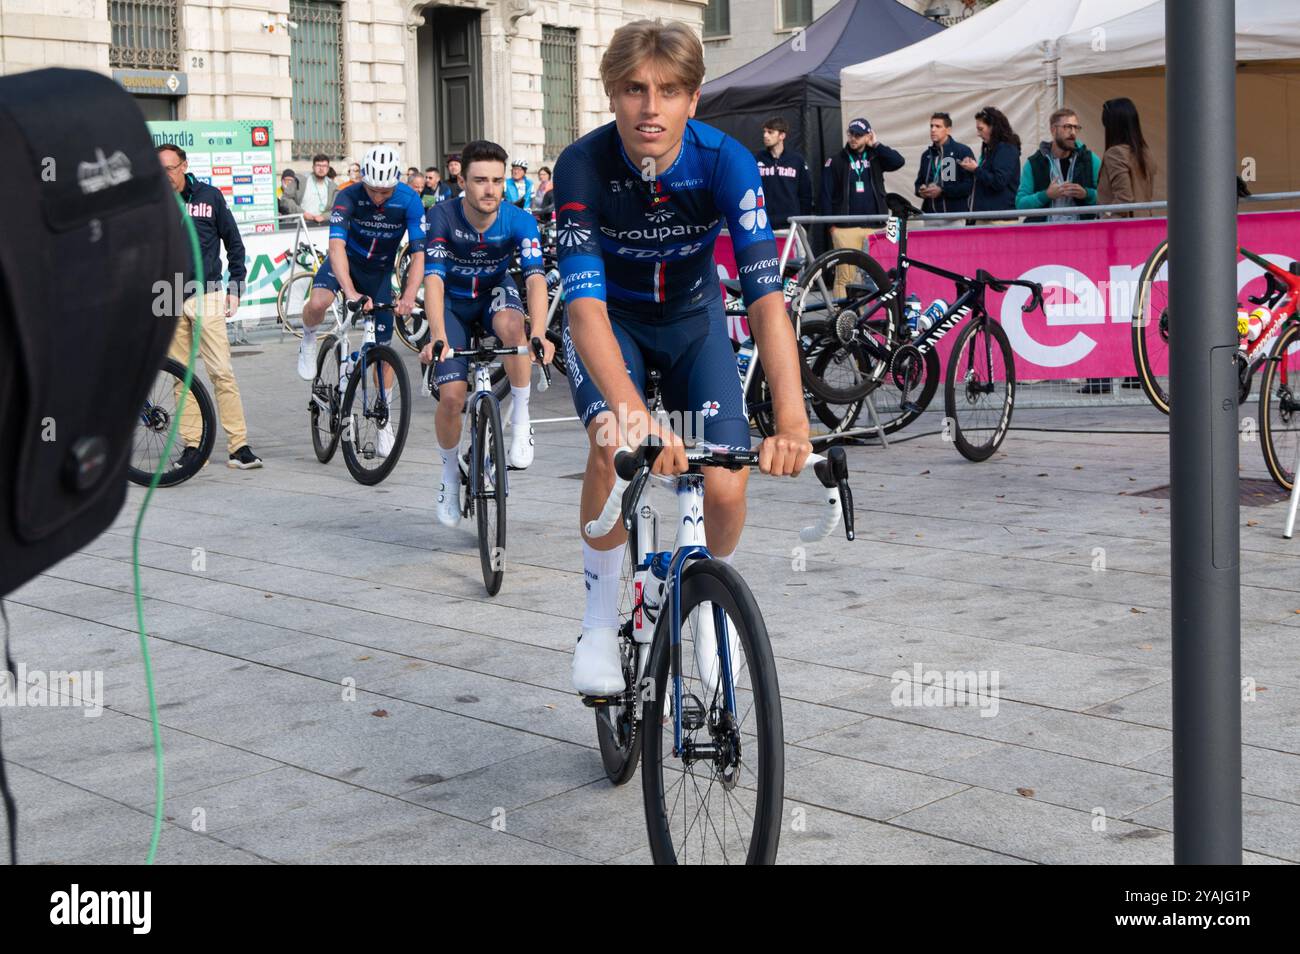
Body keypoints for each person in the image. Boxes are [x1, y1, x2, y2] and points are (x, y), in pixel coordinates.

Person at [555, 18, 811, 696]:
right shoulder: (582, 165)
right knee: (612, 445)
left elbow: (764, 302)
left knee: (727, 480)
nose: (650, 106)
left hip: (695, 325)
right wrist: (633, 416)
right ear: (612, 94)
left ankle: (710, 603)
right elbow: (582, 310)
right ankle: (597, 620)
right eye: (635, 89)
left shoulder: (726, 160)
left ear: (693, 99)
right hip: (614, 326)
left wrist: (792, 420)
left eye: (669, 91)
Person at [418, 140, 556, 525]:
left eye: (497, 180)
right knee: (451, 398)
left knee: (516, 327)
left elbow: (535, 281)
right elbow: (433, 281)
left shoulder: (520, 220)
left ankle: (521, 418)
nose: (490, 189)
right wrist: (438, 336)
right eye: (480, 180)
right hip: (453, 303)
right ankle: (448, 472)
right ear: (462, 179)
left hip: (494, 295)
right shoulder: (442, 217)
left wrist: (540, 333)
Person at [295, 146, 426, 454]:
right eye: (373, 190)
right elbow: (336, 247)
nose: (379, 197)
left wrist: (408, 296)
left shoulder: (409, 200)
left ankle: (383, 421)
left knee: (382, 349)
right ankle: (309, 337)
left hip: (378, 273)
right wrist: (350, 292)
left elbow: (420, 254)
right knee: (318, 303)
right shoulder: (348, 196)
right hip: (345, 263)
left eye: (385, 192)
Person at [157, 144, 263, 470]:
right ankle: (193, 447)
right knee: (181, 377)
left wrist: (236, 287)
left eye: (171, 169)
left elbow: (234, 243)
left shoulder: (209, 196)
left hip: (208, 293)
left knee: (222, 373)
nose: (166, 176)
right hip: (167, 295)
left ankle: (238, 446)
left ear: (184, 166)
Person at [819, 117, 904, 298]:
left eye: (859, 135)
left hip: (876, 226)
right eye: (851, 134)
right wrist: (831, 227)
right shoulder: (835, 160)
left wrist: (877, 144)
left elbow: (898, 162)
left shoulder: (876, 156)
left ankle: (874, 318)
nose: (853, 138)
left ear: (868, 136)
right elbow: (825, 195)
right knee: (845, 278)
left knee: (877, 276)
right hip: (845, 228)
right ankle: (843, 320)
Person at [1015, 108, 1101, 223]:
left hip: (1082, 233)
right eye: (1067, 127)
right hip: (1045, 235)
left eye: (1076, 127)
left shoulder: (1090, 159)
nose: (1073, 133)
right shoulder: (1034, 162)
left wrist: (1087, 194)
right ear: (1053, 130)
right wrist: (1046, 195)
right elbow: (1020, 204)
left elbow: (1107, 197)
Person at [960, 106, 1021, 223]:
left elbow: (999, 181)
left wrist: (976, 169)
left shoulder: (1006, 149)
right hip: (987, 216)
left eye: (981, 129)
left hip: (999, 219)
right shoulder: (992, 149)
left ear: (993, 127)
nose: (978, 133)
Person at [1097, 97, 1156, 217]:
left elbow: (1124, 199)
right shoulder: (1144, 152)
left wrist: (1104, 217)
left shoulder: (1115, 153)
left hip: (1121, 228)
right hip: (1145, 223)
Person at [754, 116, 812, 231]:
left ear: (782, 136)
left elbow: (806, 195)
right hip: (764, 226)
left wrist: (803, 225)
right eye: (764, 132)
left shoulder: (796, 160)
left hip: (791, 225)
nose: (765, 135)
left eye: (770, 132)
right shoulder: (756, 159)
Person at [914, 112, 974, 218]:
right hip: (930, 216)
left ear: (948, 129)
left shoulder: (961, 151)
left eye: (938, 126)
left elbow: (969, 186)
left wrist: (942, 190)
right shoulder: (927, 155)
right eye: (931, 126)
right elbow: (919, 182)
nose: (933, 130)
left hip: (954, 217)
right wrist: (921, 190)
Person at [298, 153, 338, 226]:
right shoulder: (301, 181)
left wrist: (324, 216)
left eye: (324, 166)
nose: (321, 168)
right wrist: (302, 213)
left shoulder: (333, 187)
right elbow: (286, 200)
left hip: (323, 227)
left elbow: (337, 208)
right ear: (313, 167)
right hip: (301, 225)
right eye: (318, 165)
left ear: (328, 168)